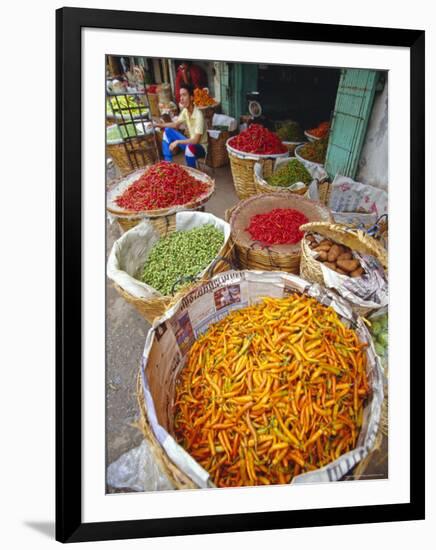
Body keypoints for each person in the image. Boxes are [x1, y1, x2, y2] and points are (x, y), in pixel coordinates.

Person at [155, 83, 207, 168]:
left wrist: (178, 141)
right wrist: (159, 125)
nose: (181, 99)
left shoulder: (198, 115)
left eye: (184, 95)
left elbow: (196, 140)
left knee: (189, 148)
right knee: (167, 131)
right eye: (180, 96)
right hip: (190, 142)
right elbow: (175, 125)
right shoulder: (185, 111)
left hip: (200, 148)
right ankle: (167, 165)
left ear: (191, 97)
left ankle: (192, 176)